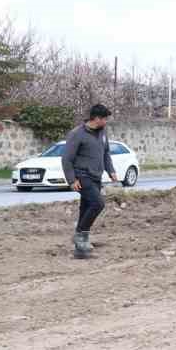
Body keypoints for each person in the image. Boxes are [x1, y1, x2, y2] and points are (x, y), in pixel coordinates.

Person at [61, 104, 117, 259]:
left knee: (85, 208)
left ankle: (81, 249)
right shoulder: (77, 134)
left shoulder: (102, 132)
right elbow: (67, 159)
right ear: (97, 118)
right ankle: (79, 234)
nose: (106, 122)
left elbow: (106, 153)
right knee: (98, 203)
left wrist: (110, 170)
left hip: (96, 176)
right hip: (82, 176)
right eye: (105, 119)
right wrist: (71, 180)